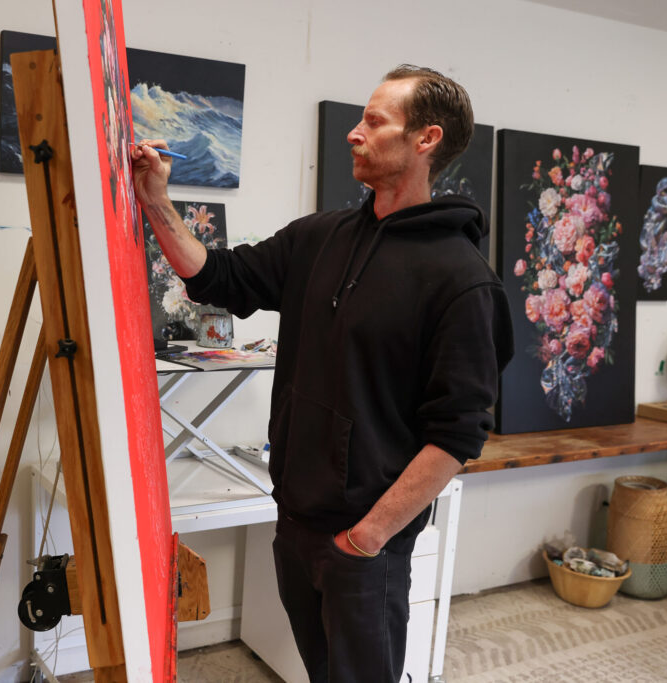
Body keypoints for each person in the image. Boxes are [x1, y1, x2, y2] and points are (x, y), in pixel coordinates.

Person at [132, 65, 514, 682]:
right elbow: (219, 276)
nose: (354, 133)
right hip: (296, 521)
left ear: (426, 140)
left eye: (374, 121)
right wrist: (155, 200)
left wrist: (365, 540)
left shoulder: (464, 282)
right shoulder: (321, 237)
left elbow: (457, 436)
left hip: (366, 546)